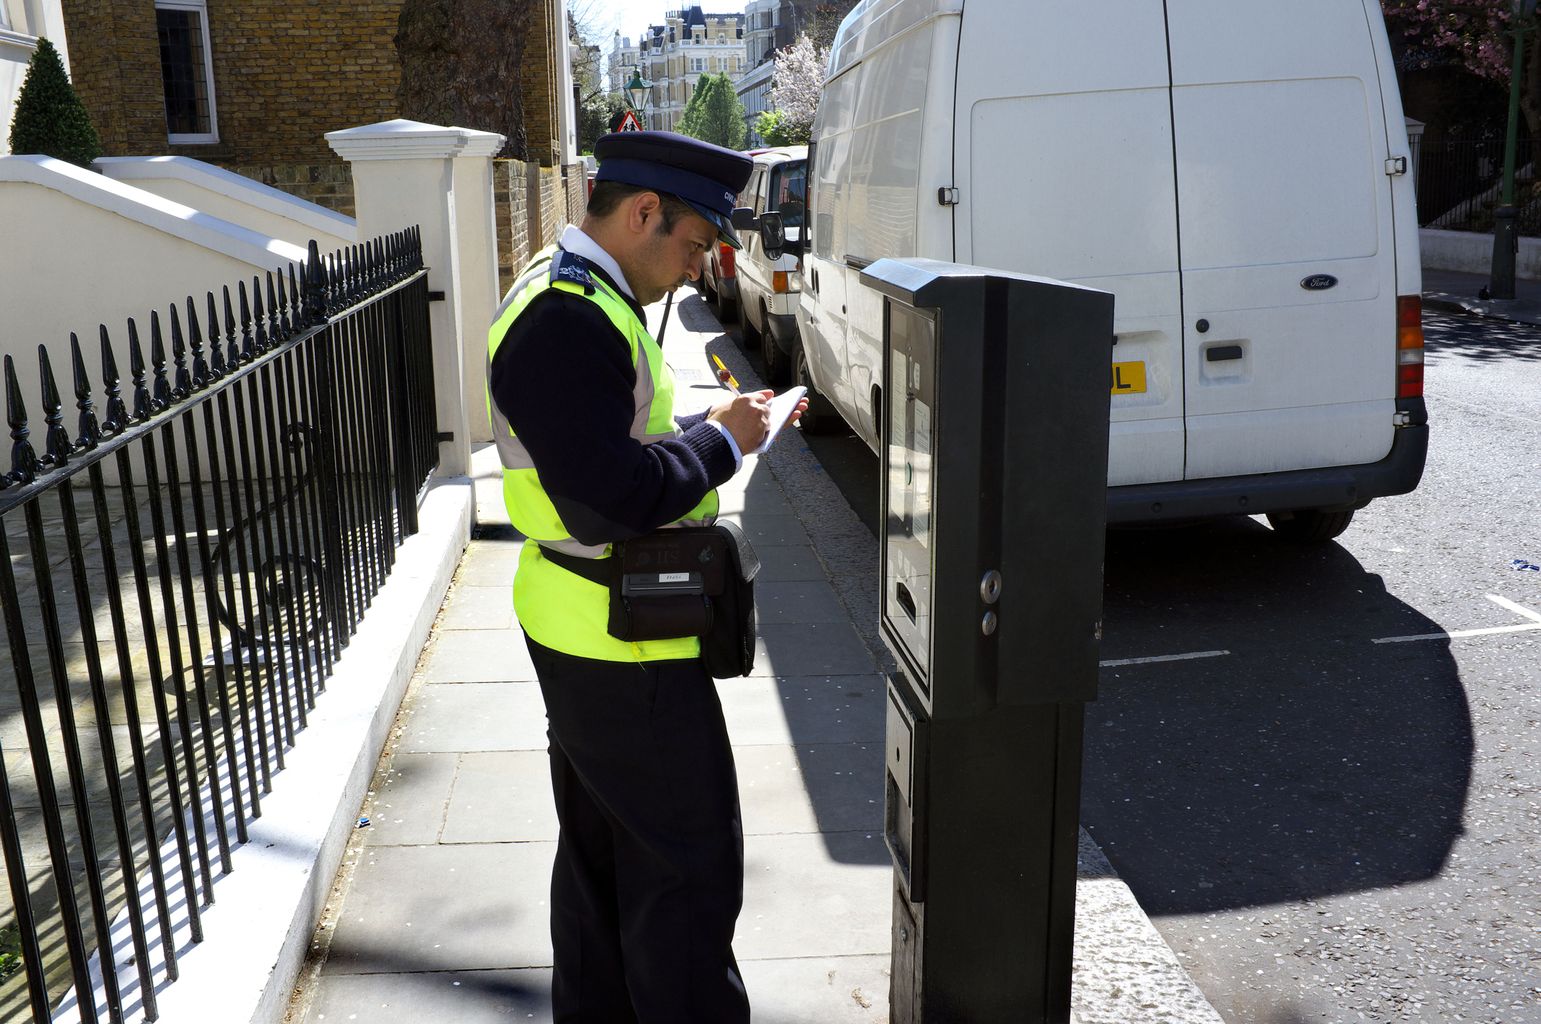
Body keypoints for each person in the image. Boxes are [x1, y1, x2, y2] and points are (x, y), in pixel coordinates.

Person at [486, 131, 804, 1023]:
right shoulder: (568, 317)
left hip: (594, 625)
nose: (700, 267)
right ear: (641, 214)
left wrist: (702, 426)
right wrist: (721, 442)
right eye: (698, 244)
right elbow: (604, 501)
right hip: (617, 645)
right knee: (686, 877)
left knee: (602, 867)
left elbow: (600, 448)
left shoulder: (581, 297)